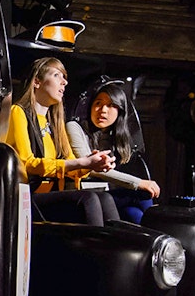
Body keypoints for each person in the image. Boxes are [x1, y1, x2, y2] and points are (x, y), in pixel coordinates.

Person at [2, 57, 118, 226]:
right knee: (88, 199)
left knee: (105, 198)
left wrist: (91, 164)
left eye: (64, 77)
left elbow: (72, 167)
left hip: (50, 196)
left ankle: (115, 249)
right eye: (57, 75)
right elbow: (27, 164)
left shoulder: (55, 122)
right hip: (27, 199)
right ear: (37, 82)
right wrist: (81, 162)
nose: (64, 82)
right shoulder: (18, 113)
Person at [67, 80, 161, 223]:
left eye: (111, 105)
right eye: (98, 103)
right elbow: (92, 168)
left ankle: (156, 242)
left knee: (133, 214)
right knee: (143, 194)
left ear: (120, 111)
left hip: (106, 194)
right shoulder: (74, 127)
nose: (103, 110)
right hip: (84, 195)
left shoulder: (117, 137)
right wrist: (139, 183)